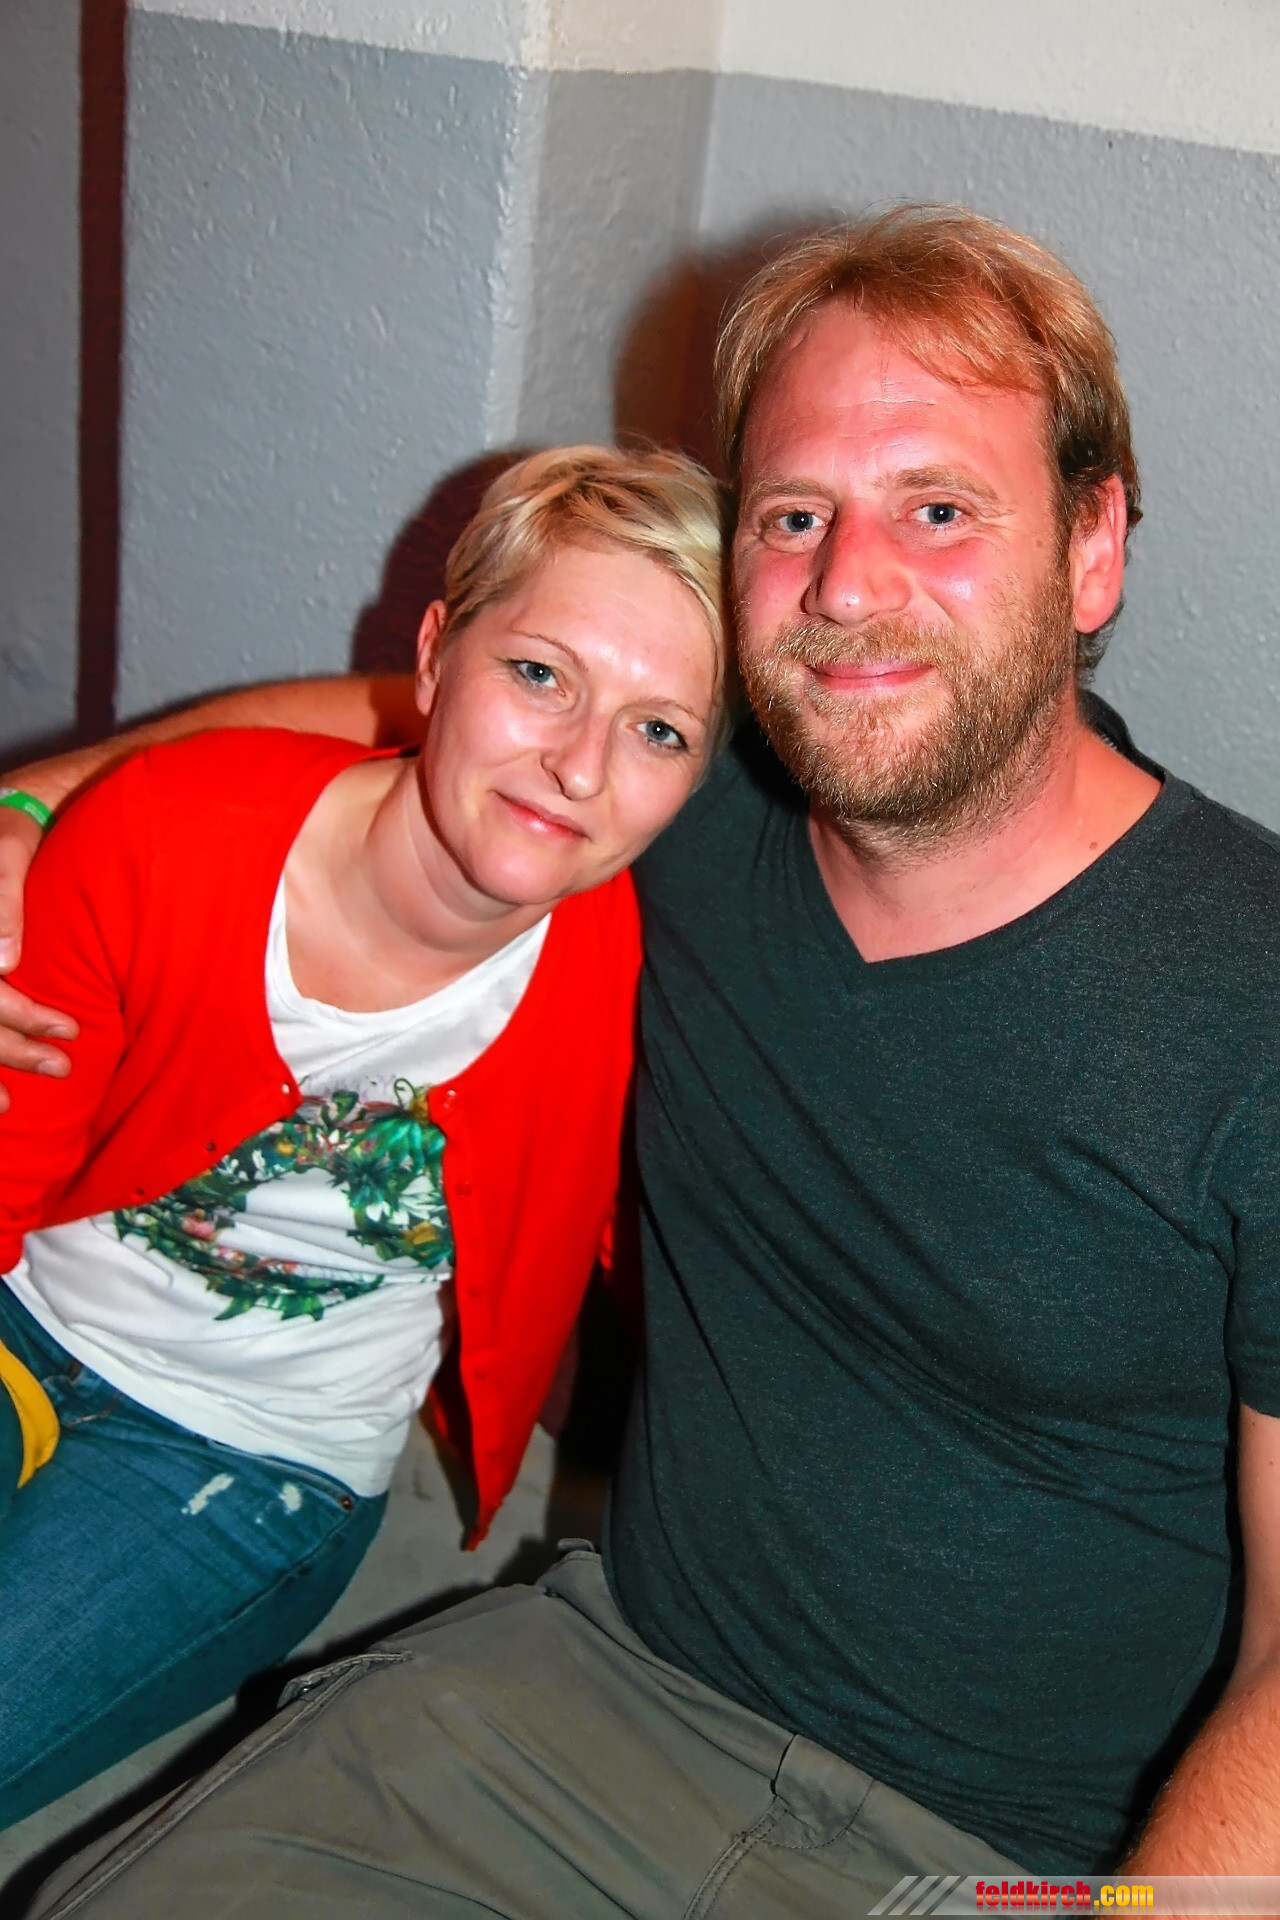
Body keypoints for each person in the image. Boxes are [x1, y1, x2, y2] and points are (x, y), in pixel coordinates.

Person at [7, 203, 1280, 1914]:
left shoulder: (1251, 999)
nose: (849, 584)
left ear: (1095, 546)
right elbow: (397, 731)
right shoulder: (676, 807)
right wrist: (32, 816)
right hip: (596, 1693)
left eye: (940, 508)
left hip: (1010, 1861)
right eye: (795, 515)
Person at [0, 443, 727, 1829]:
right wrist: (25, 805)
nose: (579, 765)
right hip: (27, 1310)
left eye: (659, 732)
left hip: (254, 1456)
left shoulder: (650, 987)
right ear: (437, 655)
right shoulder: (167, 830)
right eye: (540, 674)